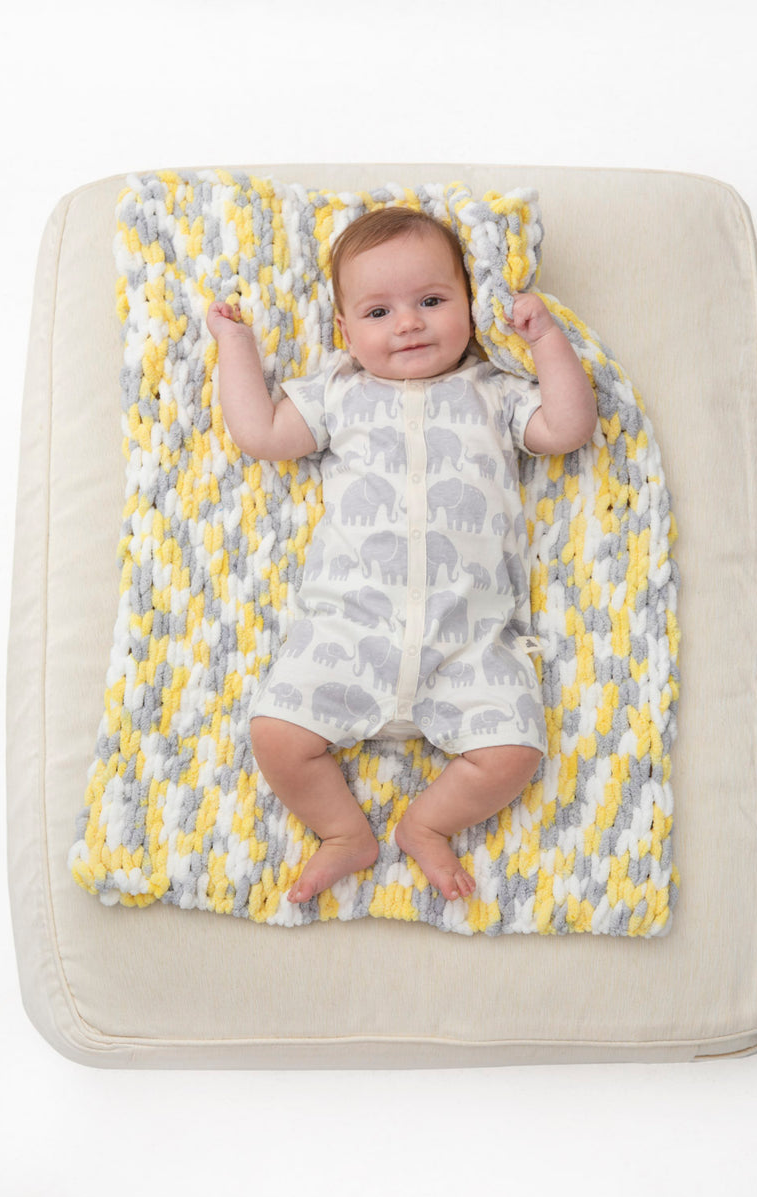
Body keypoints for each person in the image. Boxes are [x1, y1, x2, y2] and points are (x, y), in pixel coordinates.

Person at [206, 207, 597, 905]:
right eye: (379, 312)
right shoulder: (339, 392)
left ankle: (428, 824)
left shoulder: (494, 392)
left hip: (469, 641)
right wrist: (234, 344)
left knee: (515, 752)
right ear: (345, 331)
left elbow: (568, 427)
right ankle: (343, 833)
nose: (409, 324)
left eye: (432, 301)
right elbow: (260, 433)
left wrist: (545, 341)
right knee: (275, 735)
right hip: (349, 632)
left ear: (471, 307)